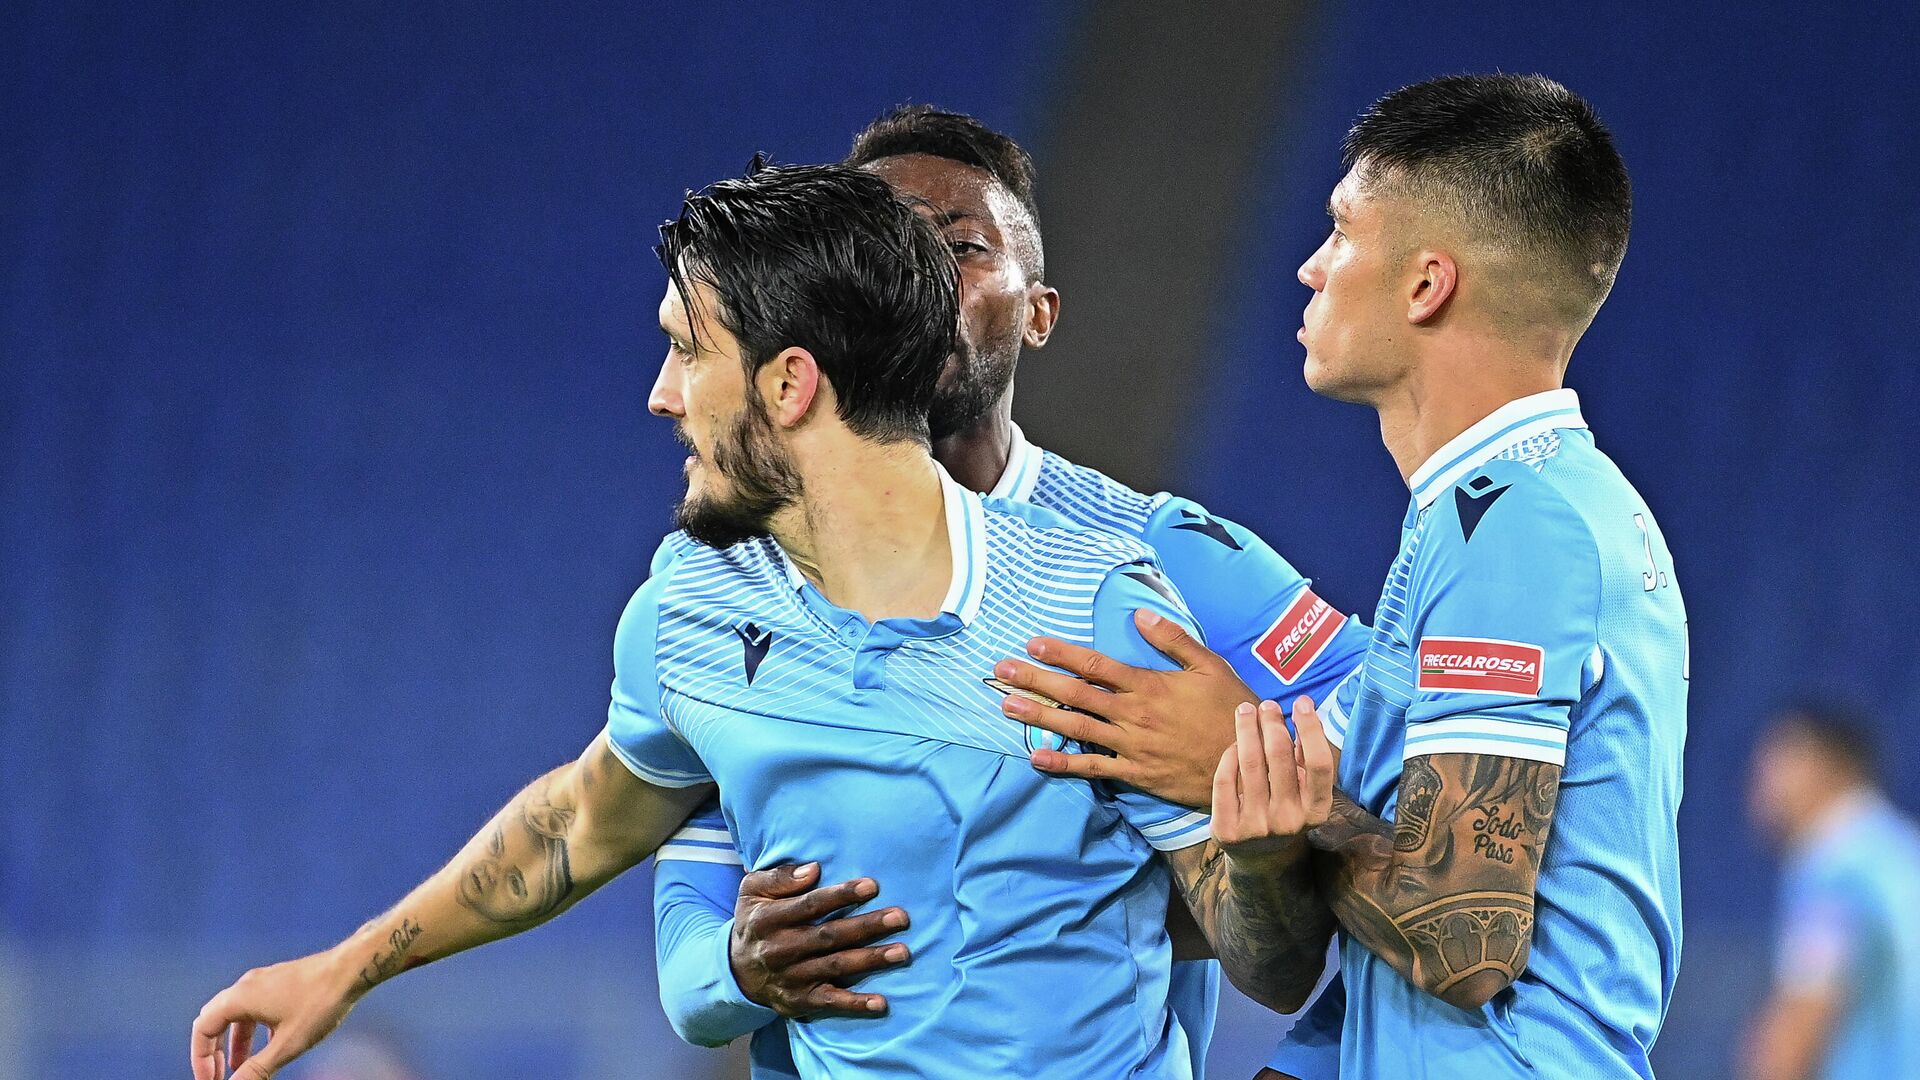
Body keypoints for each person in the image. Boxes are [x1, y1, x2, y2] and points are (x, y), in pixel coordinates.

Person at [190, 161, 1329, 1080]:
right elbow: (580, 823)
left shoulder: (1094, 604)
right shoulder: (690, 603)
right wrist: (342, 972)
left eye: (689, 352)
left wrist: (1269, 862)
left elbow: (1265, 962)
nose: (661, 394)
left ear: (790, 387)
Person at [648, 106, 1366, 1080]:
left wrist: (1327, 1062)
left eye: (962, 250)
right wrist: (732, 964)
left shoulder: (1164, 560)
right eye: (886, 254)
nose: (923, 283)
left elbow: (1443, 836)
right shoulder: (734, 586)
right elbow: (687, 926)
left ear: (1038, 311)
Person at [996, 73, 1688, 1078]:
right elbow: (1373, 951)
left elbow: (1464, 940)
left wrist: (1229, 758)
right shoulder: (1496, 516)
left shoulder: (1520, 528)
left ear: (1426, 284)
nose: (1312, 269)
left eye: (1341, 231)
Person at [1741, 702, 1920, 1080]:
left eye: (1778, 763)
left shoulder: (1836, 868)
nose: (1759, 785)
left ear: (1824, 767)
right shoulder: (1901, 853)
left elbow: (1800, 1024)